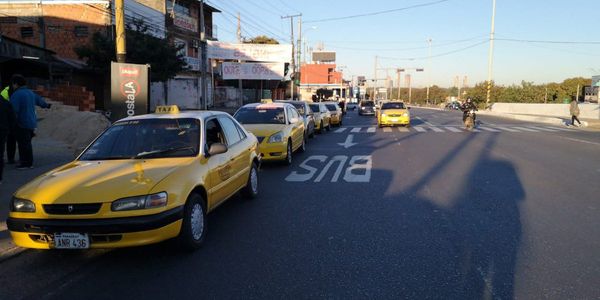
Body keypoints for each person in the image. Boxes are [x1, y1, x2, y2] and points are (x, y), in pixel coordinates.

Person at [9, 74, 51, 169]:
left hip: (21, 123)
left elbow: (14, 110)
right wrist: (47, 105)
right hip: (32, 123)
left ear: (16, 84)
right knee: (27, 143)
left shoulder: (16, 95)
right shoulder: (30, 93)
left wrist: (11, 123)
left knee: (23, 144)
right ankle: (27, 161)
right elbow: (40, 102)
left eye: (13, 84)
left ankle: (26, 163)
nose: (12, 86)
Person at [0, 90, 16, 183]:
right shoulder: (6, 103)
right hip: (2, 131)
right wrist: (9, 130)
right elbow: (12, 118)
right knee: (0, 154)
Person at [2, 85, 17, 164]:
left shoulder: (5, 92)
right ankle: (10, 158)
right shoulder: (7, 94)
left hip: (6, 122)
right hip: (7, 123)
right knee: (10, 141)